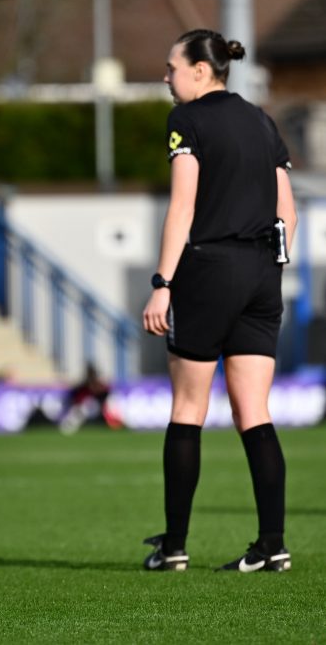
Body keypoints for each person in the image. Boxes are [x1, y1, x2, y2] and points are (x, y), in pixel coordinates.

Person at [141, 29, 295, 574]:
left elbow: (182, 208)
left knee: (188, 409)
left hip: (208, 270)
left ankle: (175, 546)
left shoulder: (188, 120)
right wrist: (268, 269)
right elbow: (288, 214)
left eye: (171, 68)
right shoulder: (261, 119)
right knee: (255, 411)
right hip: (262, 272)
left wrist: (163, 282)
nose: (166, 78)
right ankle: (271, 544)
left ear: (200, 72)